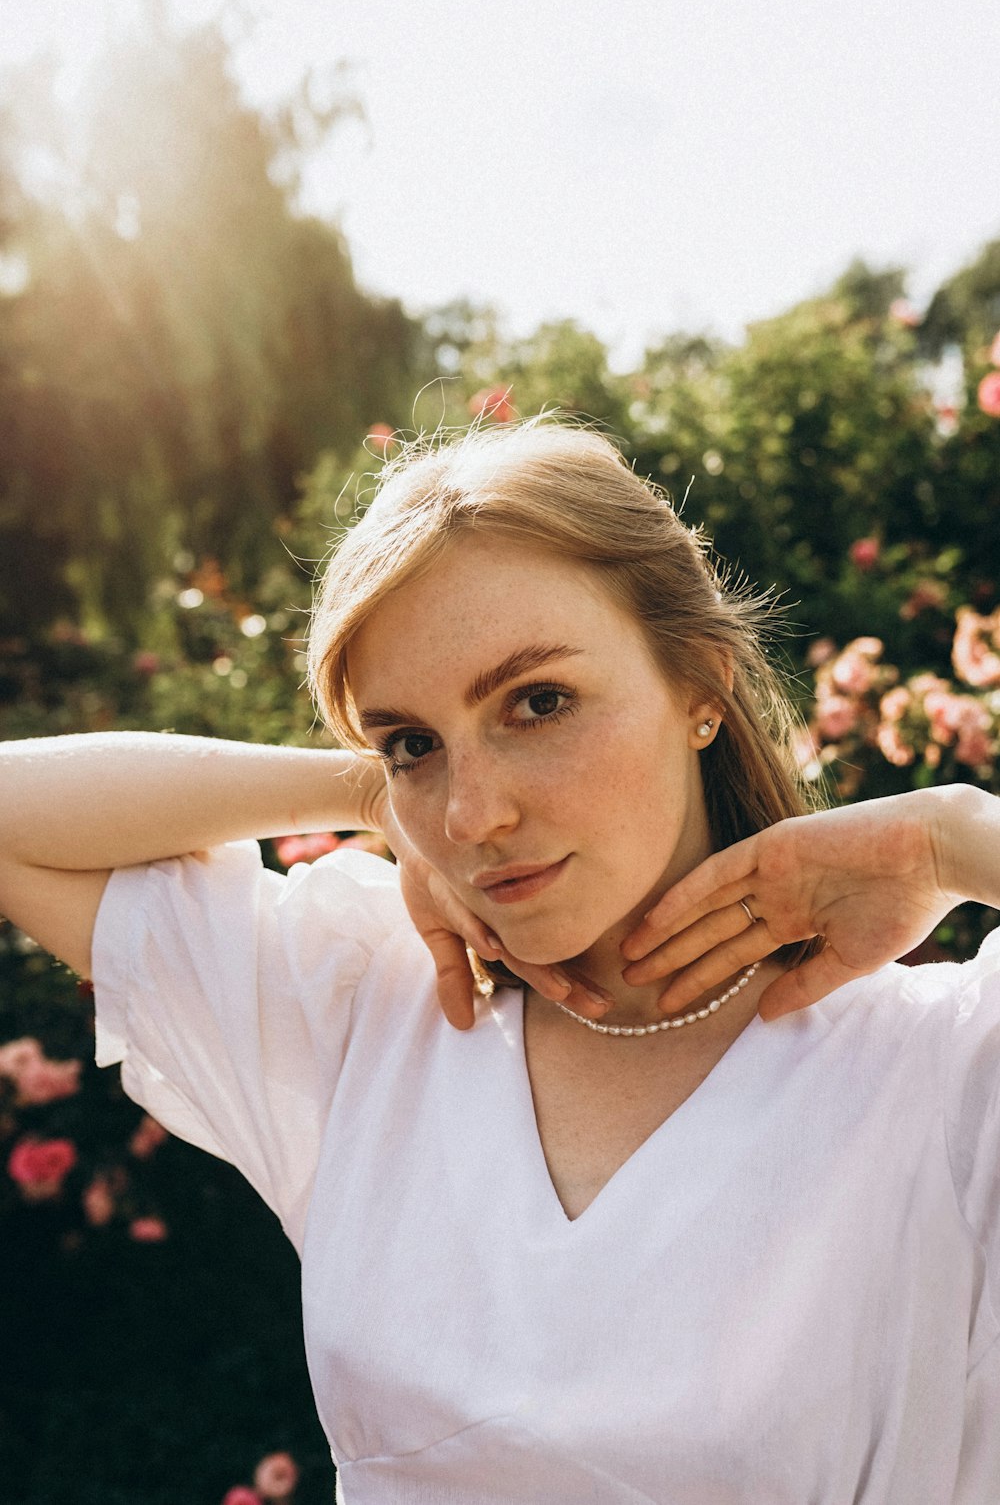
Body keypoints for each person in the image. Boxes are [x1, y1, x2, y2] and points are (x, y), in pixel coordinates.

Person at [1, 416, 999, 1504]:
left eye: (538, 702)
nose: (474, 815)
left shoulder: (947, 1074)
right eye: (414, 740)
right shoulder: (366, 1011)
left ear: (701, 687)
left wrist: (946, 838)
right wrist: (365, 791)